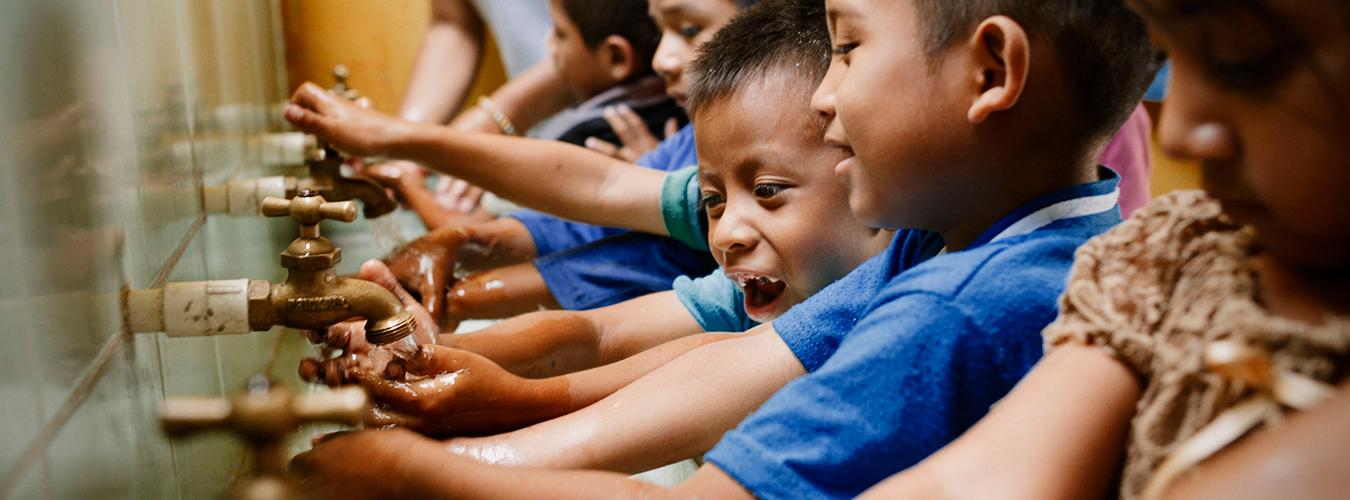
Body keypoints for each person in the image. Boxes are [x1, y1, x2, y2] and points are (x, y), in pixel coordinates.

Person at [288, 0, 1158, 497]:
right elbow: (742, 365)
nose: (823, 97)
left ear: (991, 73)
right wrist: (502, 413)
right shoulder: (953, 243)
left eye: (848, 50)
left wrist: (412, 474)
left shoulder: (964, 307)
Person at [299, 1, 898, 443]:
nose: (725, 232)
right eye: (713, 201)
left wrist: (502, 406)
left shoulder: (883, 287)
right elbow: (594, 325)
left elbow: (702, 372)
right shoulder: (768, 238)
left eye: (688, 28)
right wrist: (435, 353)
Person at [855, 0, 1350, 499]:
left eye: (1244, 61)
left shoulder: (965, 295)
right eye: (1170, 58)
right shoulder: (1173, 261)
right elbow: (984, 477)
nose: (1175, 131)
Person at [285, 0, 762, 327]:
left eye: (689, 29)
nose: (662, 59)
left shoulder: (624, 129)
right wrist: (458, 254)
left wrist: (403, 144)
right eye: (660, 30)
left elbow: (608, 200)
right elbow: (586, 214)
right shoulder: (688, 138)